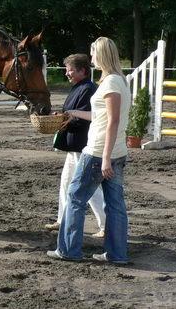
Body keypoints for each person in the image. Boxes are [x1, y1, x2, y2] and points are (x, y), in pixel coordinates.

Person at [47, 37, 131, 264]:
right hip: (116, 151)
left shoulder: (110, 83)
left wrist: (105, 158)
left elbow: (113, 121)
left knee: (75, 198)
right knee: (115, 204)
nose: (91, 57)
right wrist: (73, 113)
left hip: (98, 152)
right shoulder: (120, 81)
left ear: (100, 54)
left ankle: (68, 250)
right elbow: (101, 116)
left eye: (93, 53)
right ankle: (117, 254)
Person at [45, 54, 106, 238]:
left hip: (82, 145)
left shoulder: (88, 89)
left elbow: (84, 118)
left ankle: (106, 224)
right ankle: (62, 219)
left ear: (82, 71)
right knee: (66, 182)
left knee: (89, 187)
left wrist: (63, 120)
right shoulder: (78, 87)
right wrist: (61, 117)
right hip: (74, 147)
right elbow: (71, 113)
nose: (67, 73)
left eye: (70, 70)